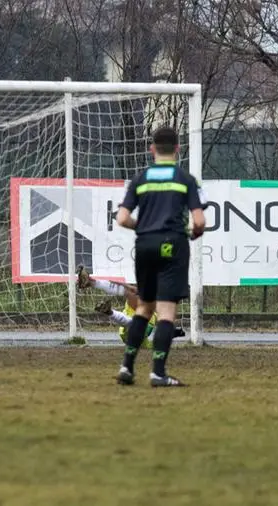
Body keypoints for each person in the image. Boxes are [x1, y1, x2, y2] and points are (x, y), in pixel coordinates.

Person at [114, 126, 206, 387]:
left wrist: (141, 227)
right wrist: (195, 232)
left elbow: (122, 218)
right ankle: (158, 373)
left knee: (144, 306)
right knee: (166, 311)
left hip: (144, 244)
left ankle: (127, 366)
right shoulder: (185, 179)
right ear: (177, 149)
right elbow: (198, 221)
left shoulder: (140, 179)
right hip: (172, 244)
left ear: (151, 149)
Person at [75, 265, 186, 348]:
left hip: (138, 335)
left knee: (133, 298)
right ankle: (92, 285)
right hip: (131, 330)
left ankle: (109, 310)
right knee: (131, 293)